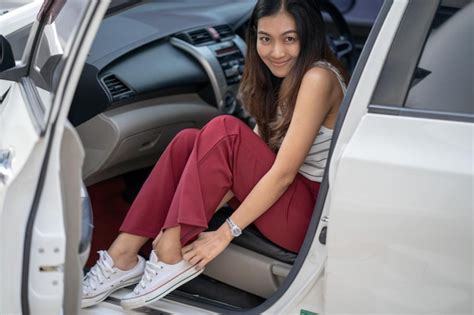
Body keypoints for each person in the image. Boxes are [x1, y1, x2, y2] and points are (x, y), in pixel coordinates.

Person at [81, 0, 347, 310]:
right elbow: (248, 162)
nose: (276, 51)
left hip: (307, 214)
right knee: (188, 141)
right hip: (288, 198)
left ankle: (170, 254)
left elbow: (282, 172)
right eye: (265, 39)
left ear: (309, 36)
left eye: (289, 38)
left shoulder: (318, 78)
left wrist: (223, 234)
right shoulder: (283, 78)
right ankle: (122, 257)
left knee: (225, 129)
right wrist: (187, 211)